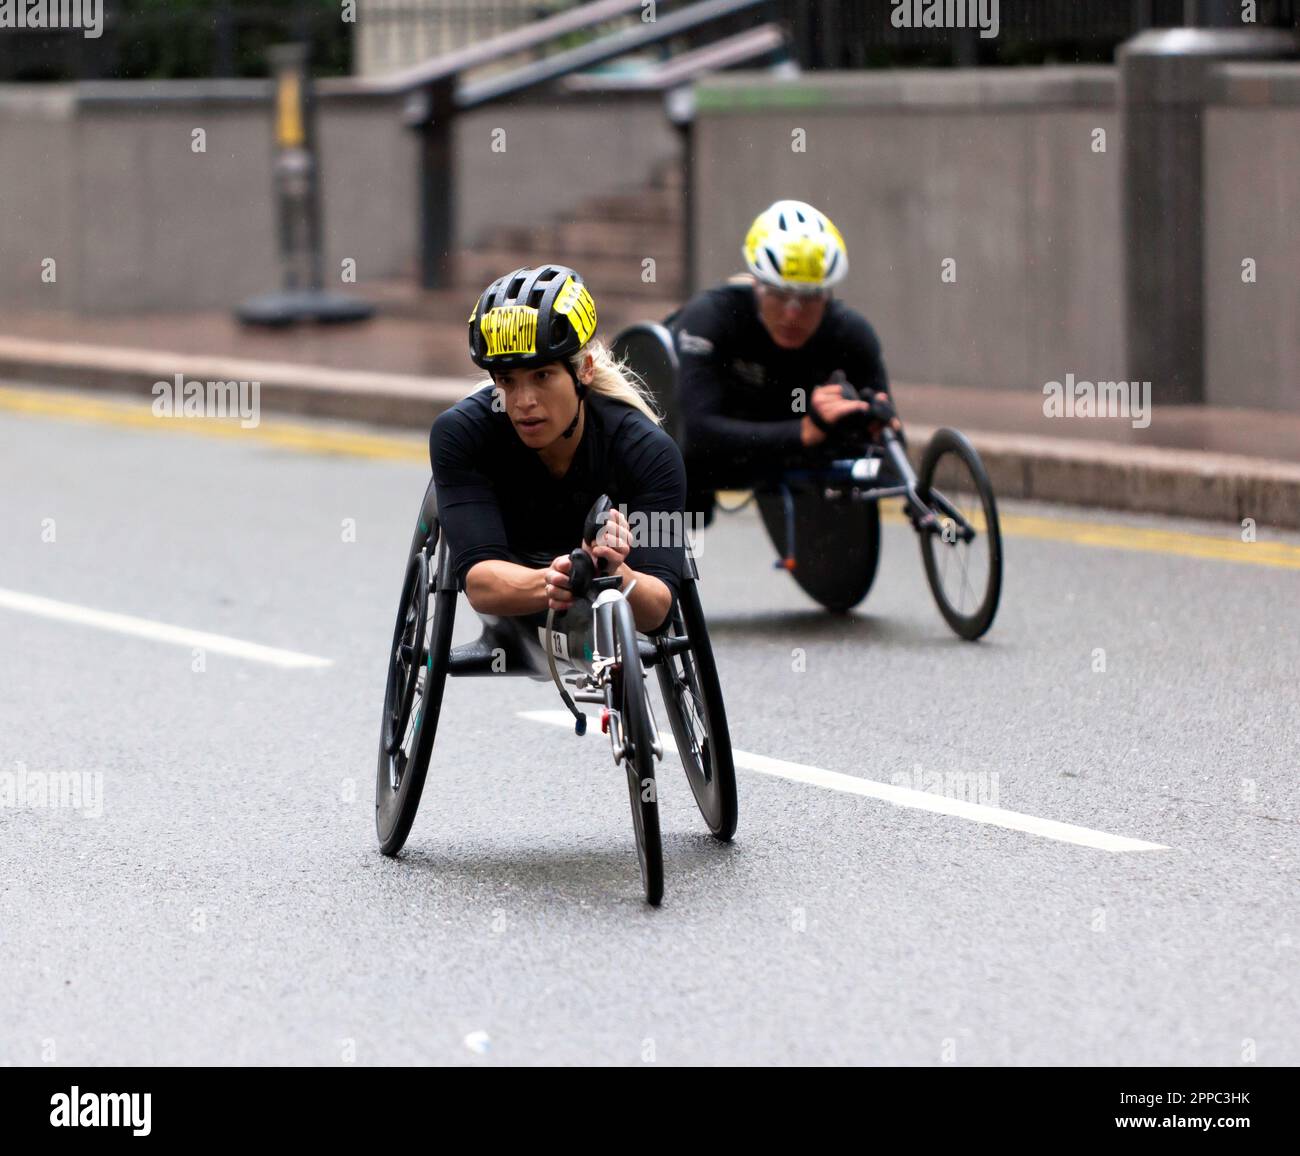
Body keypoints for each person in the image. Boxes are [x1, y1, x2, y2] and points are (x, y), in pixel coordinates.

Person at [430, 264, 686, 646]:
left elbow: (658, 611)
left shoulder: (647, 450)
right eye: (507, 381)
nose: (523, 402)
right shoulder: (462, 434)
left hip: (606, 589)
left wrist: (614, 570)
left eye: (542, 376)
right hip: (519, 592)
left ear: (583, 369)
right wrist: (559, 577)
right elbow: (481, 585)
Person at [669, 199, 902, 522]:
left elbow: (890, 452)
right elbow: (697, 432)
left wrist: (875, 422)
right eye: (779, 294)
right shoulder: (710, 318)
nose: (793, 313)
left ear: (826, 295)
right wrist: (804, 431)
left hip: (780, 444)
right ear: (757, 284)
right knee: (687, 503)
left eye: (808, 297)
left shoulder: (850, 331)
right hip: (699, 451)